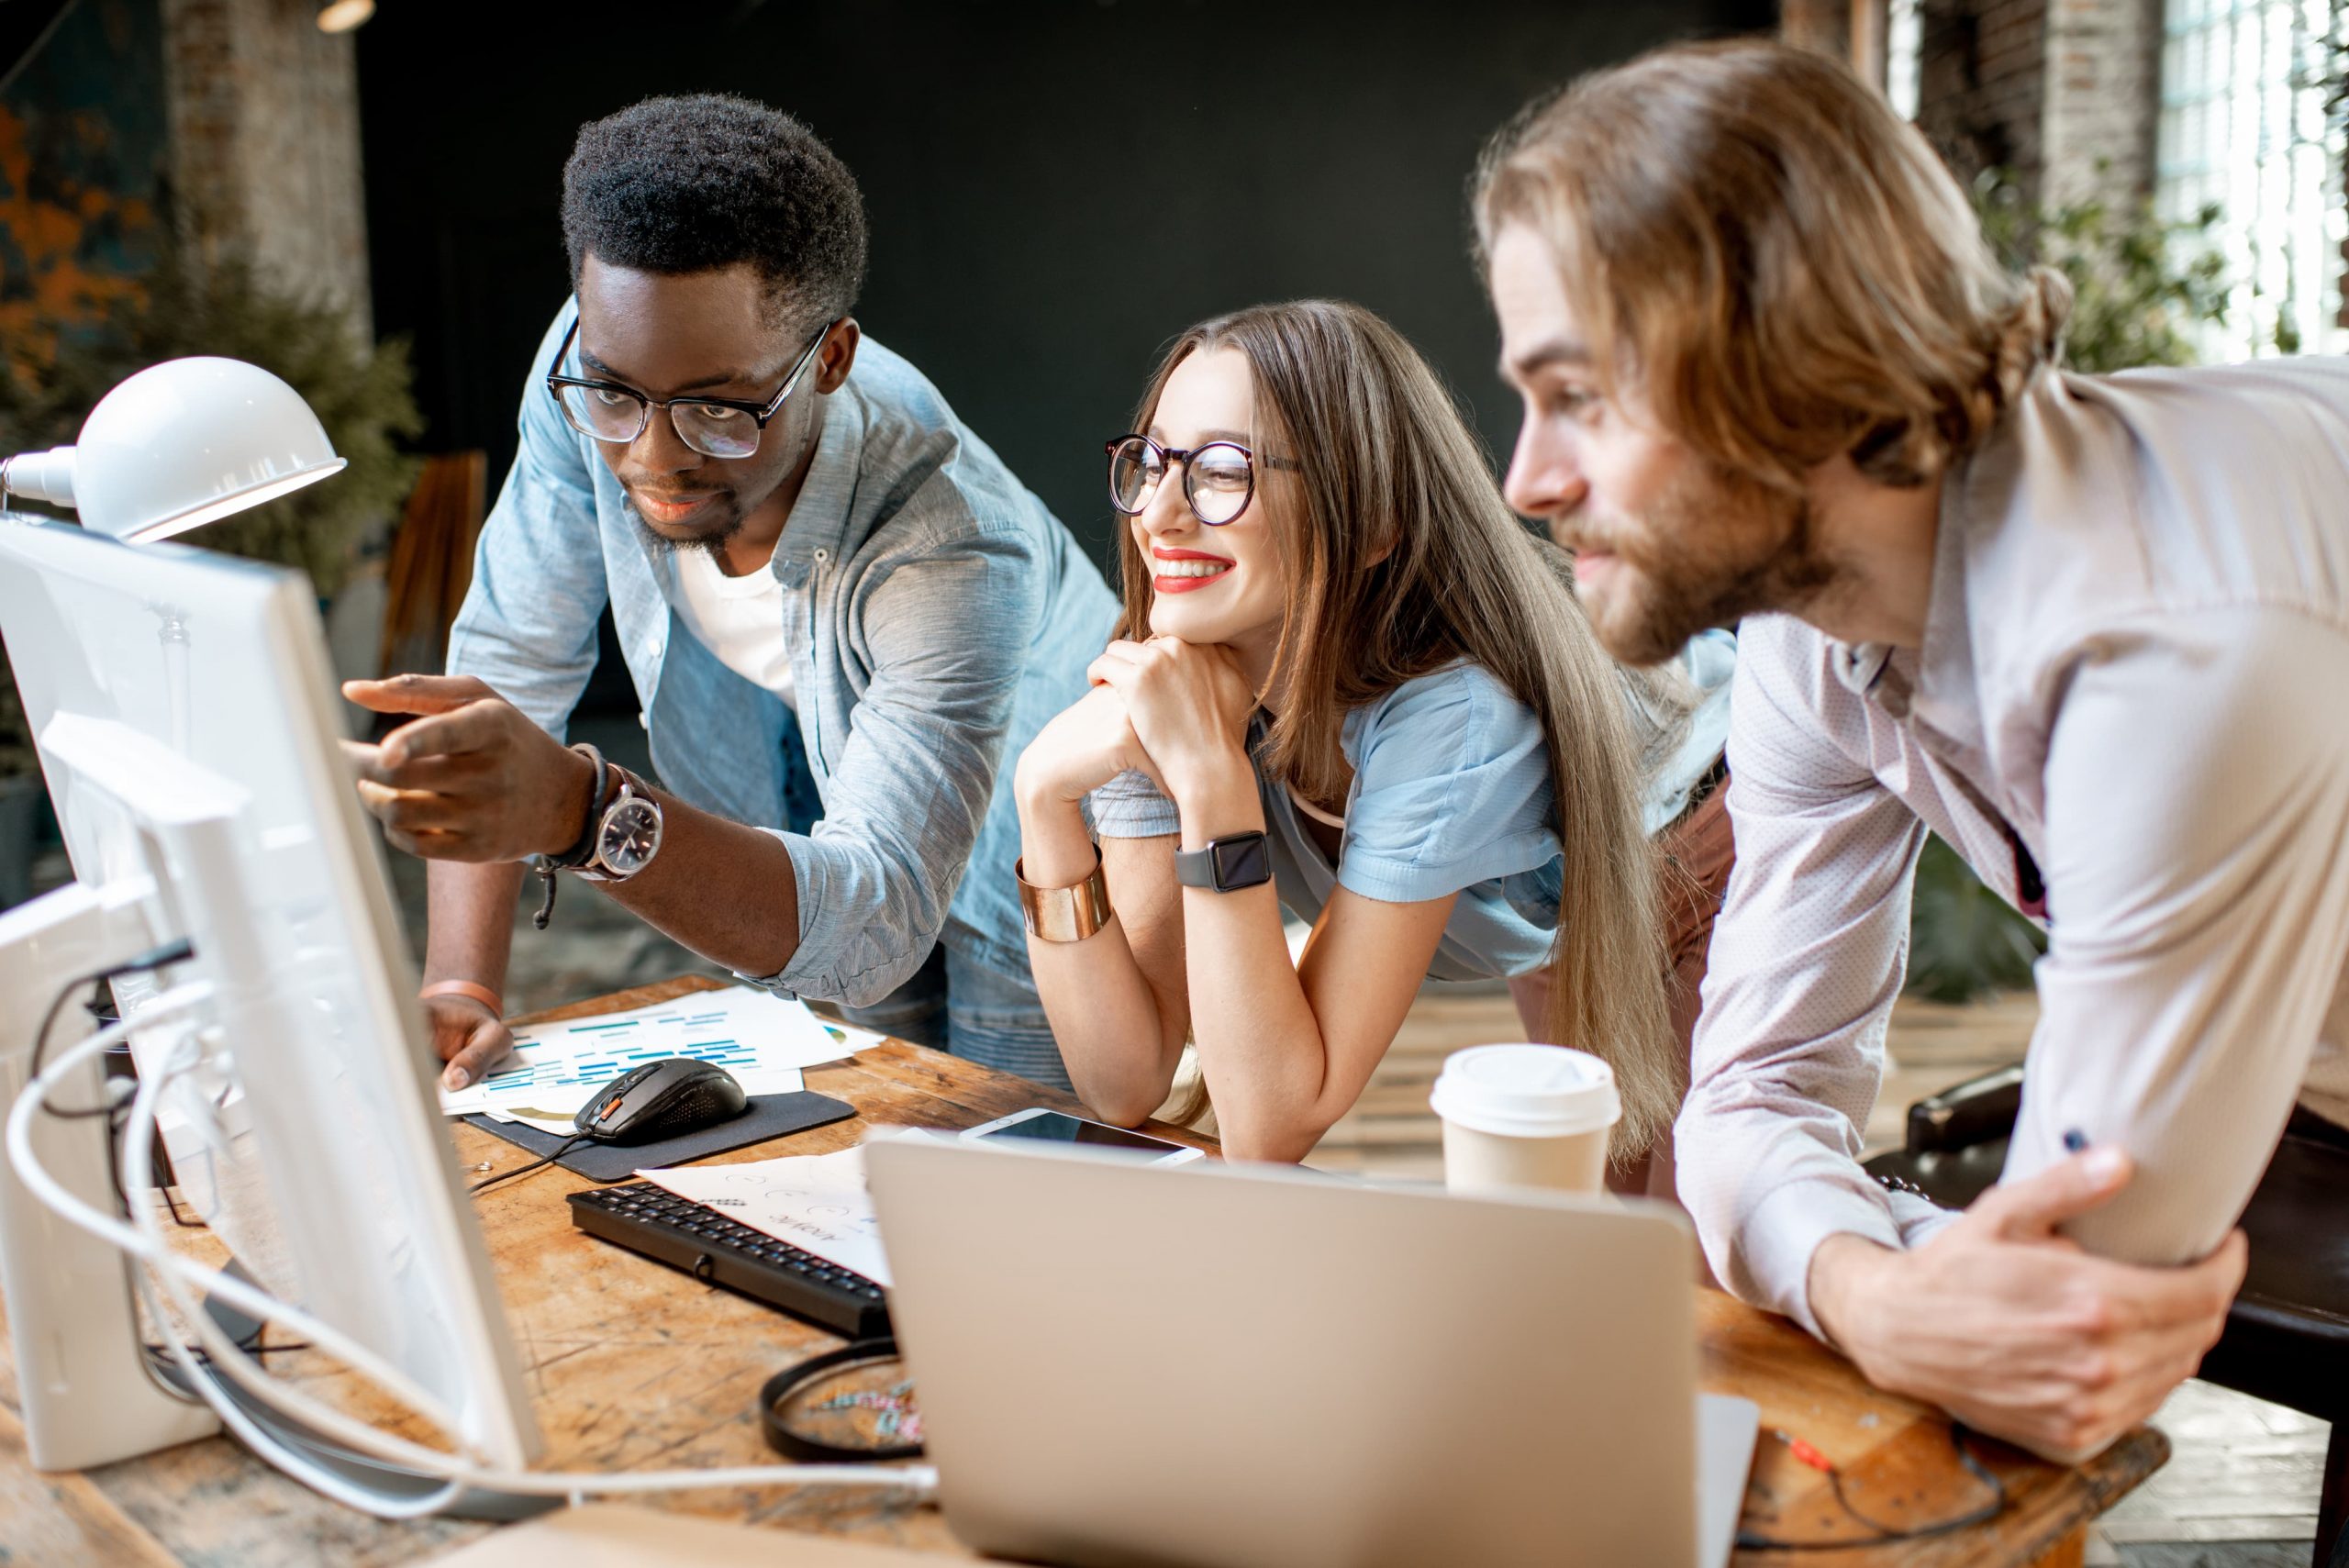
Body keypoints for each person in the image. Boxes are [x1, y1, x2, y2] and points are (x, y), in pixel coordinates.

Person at [1474, 38, 2349, 1460]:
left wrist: (1887, 1279)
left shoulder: (2178, 648)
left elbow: (2075, 1308)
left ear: (1785, 364)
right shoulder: (1816, 627)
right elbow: (1745, 1097)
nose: (1527, 480)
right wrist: (1867, 1292)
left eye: (1580, 396)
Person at [344, 95, 1117, 1090]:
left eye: (717, 408)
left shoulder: (948, 539)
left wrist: (588, 816)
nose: (650, 458)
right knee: (855, 1090)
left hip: (1039, 802)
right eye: (615, 395)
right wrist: (462, 986)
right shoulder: (584, 366)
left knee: (1009, 1121)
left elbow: (874, 920)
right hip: (802, 740)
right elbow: (510, 666)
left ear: (828, 359)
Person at [1011, 299, 1731, 1167]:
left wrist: (1213, 787)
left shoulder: (1453, 713)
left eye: (1221, 470)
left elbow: (1275, 1118)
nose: (1160, 512)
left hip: (1718, 832)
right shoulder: (1166, 683)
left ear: (1373, 524)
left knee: (1703, 1259)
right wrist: (1044, 806)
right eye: (1153, 462)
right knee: (1592, 1231)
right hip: (1560, 895)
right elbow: (1126, 1079)